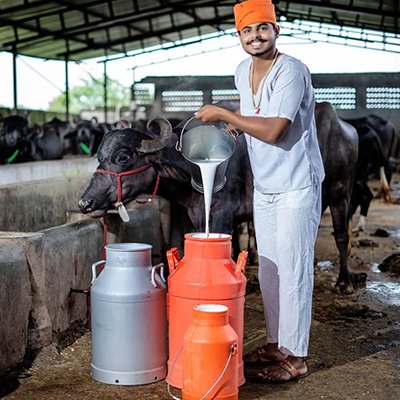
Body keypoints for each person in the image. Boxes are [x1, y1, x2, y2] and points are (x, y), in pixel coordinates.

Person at [194, 0, 325, 384]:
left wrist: (224, 115)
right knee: (270, 268)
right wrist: (233, 124)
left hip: (297, 184)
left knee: (295, 269)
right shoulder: (241, 71)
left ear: (276, 30)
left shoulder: (292, 71)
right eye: (247, 31)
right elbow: (253, 111)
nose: (256, 36)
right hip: (267, 185)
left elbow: (273, 130)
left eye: (263, 28)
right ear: (239, 36)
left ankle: (296, 356)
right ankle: (276, 343)